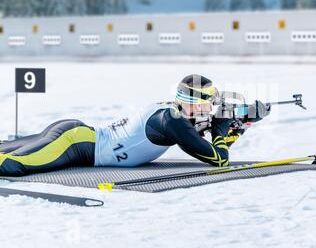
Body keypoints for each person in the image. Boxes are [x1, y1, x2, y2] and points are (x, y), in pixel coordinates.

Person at [0, 74, 270, 176]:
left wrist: (237, 126)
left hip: (78, 136)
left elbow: (211, 144)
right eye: (208, 101)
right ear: (194, 100)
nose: (211, 107)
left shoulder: (174, 115)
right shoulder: (174, 121)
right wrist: (222, 129)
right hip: (76, 143)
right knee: (10, 166)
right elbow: (218, 159)